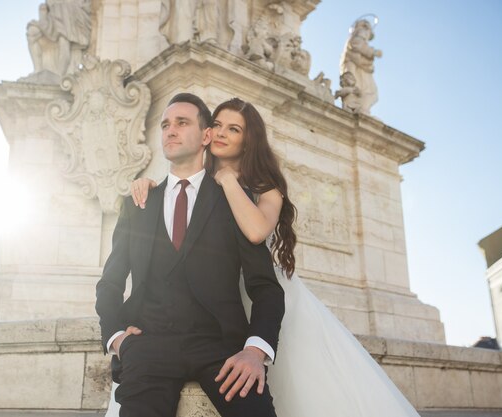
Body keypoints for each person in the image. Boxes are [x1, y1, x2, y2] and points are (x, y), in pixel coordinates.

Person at [109, 97, 421, 417]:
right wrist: (148, 184)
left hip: (254, 298)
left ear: (248, 139)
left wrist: (229, 180)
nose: (220, 134)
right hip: (200, 311)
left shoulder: (263, 186)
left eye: (233, 129)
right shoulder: (201, 176)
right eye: (216, 125)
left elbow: (257, 232)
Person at [95, 93, 285, 417]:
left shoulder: (236, 201)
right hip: (148, 347)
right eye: (166, 124)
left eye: (182, 123)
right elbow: (109, 282)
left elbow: (265, 287)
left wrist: (255, 351)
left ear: (206, 136)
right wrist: (117, 339)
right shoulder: (137, 203)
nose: (170, 130)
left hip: (221, 349)